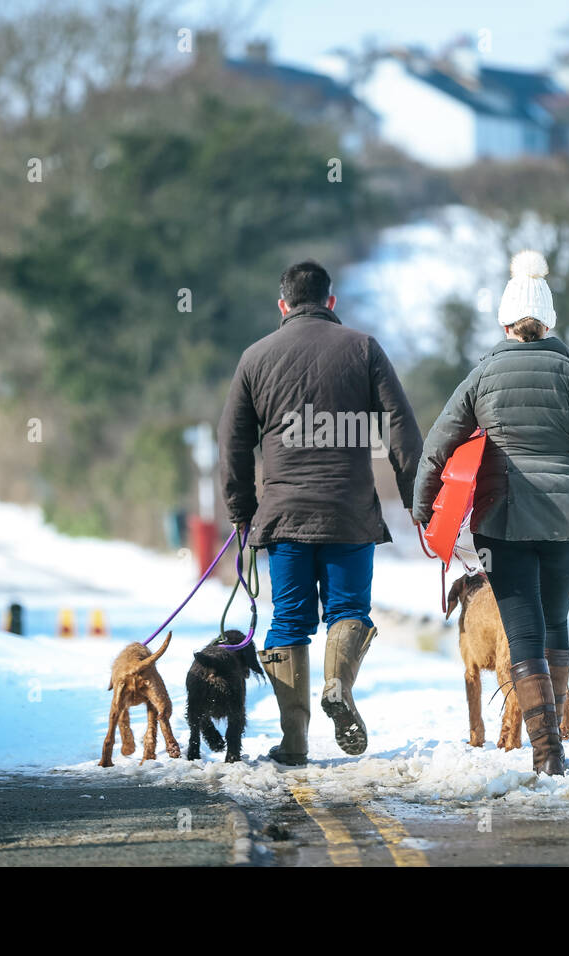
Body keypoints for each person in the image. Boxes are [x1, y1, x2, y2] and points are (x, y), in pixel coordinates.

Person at [413, 251, 569, 776]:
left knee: (524, 632)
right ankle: (554, 749)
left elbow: (439, 447)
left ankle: (546, 755)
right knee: (556, 621)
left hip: (503, 522)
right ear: (549, 321)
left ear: (505, 322)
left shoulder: (482, 375)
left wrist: (423, 507)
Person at [218, 260, 423, 766]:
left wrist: (242, 511)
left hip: (284, 515)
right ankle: (338, 683)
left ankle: (294, 742)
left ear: (283, 306)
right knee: (349, 612)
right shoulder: (363, 348)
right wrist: (416, 496)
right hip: (349, 512)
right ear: (331, 302)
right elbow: (400, 425)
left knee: (288, 620)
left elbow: (233, 444)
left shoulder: (255, 357)